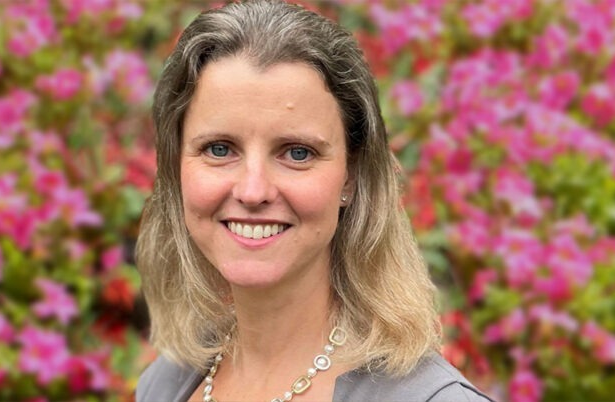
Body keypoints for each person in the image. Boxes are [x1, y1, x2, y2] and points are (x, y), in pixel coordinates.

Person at [135, 1, 493, 401]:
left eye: (297, 153)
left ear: (351, 176)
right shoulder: (164, 384)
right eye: (219, 149)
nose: (253, 191)